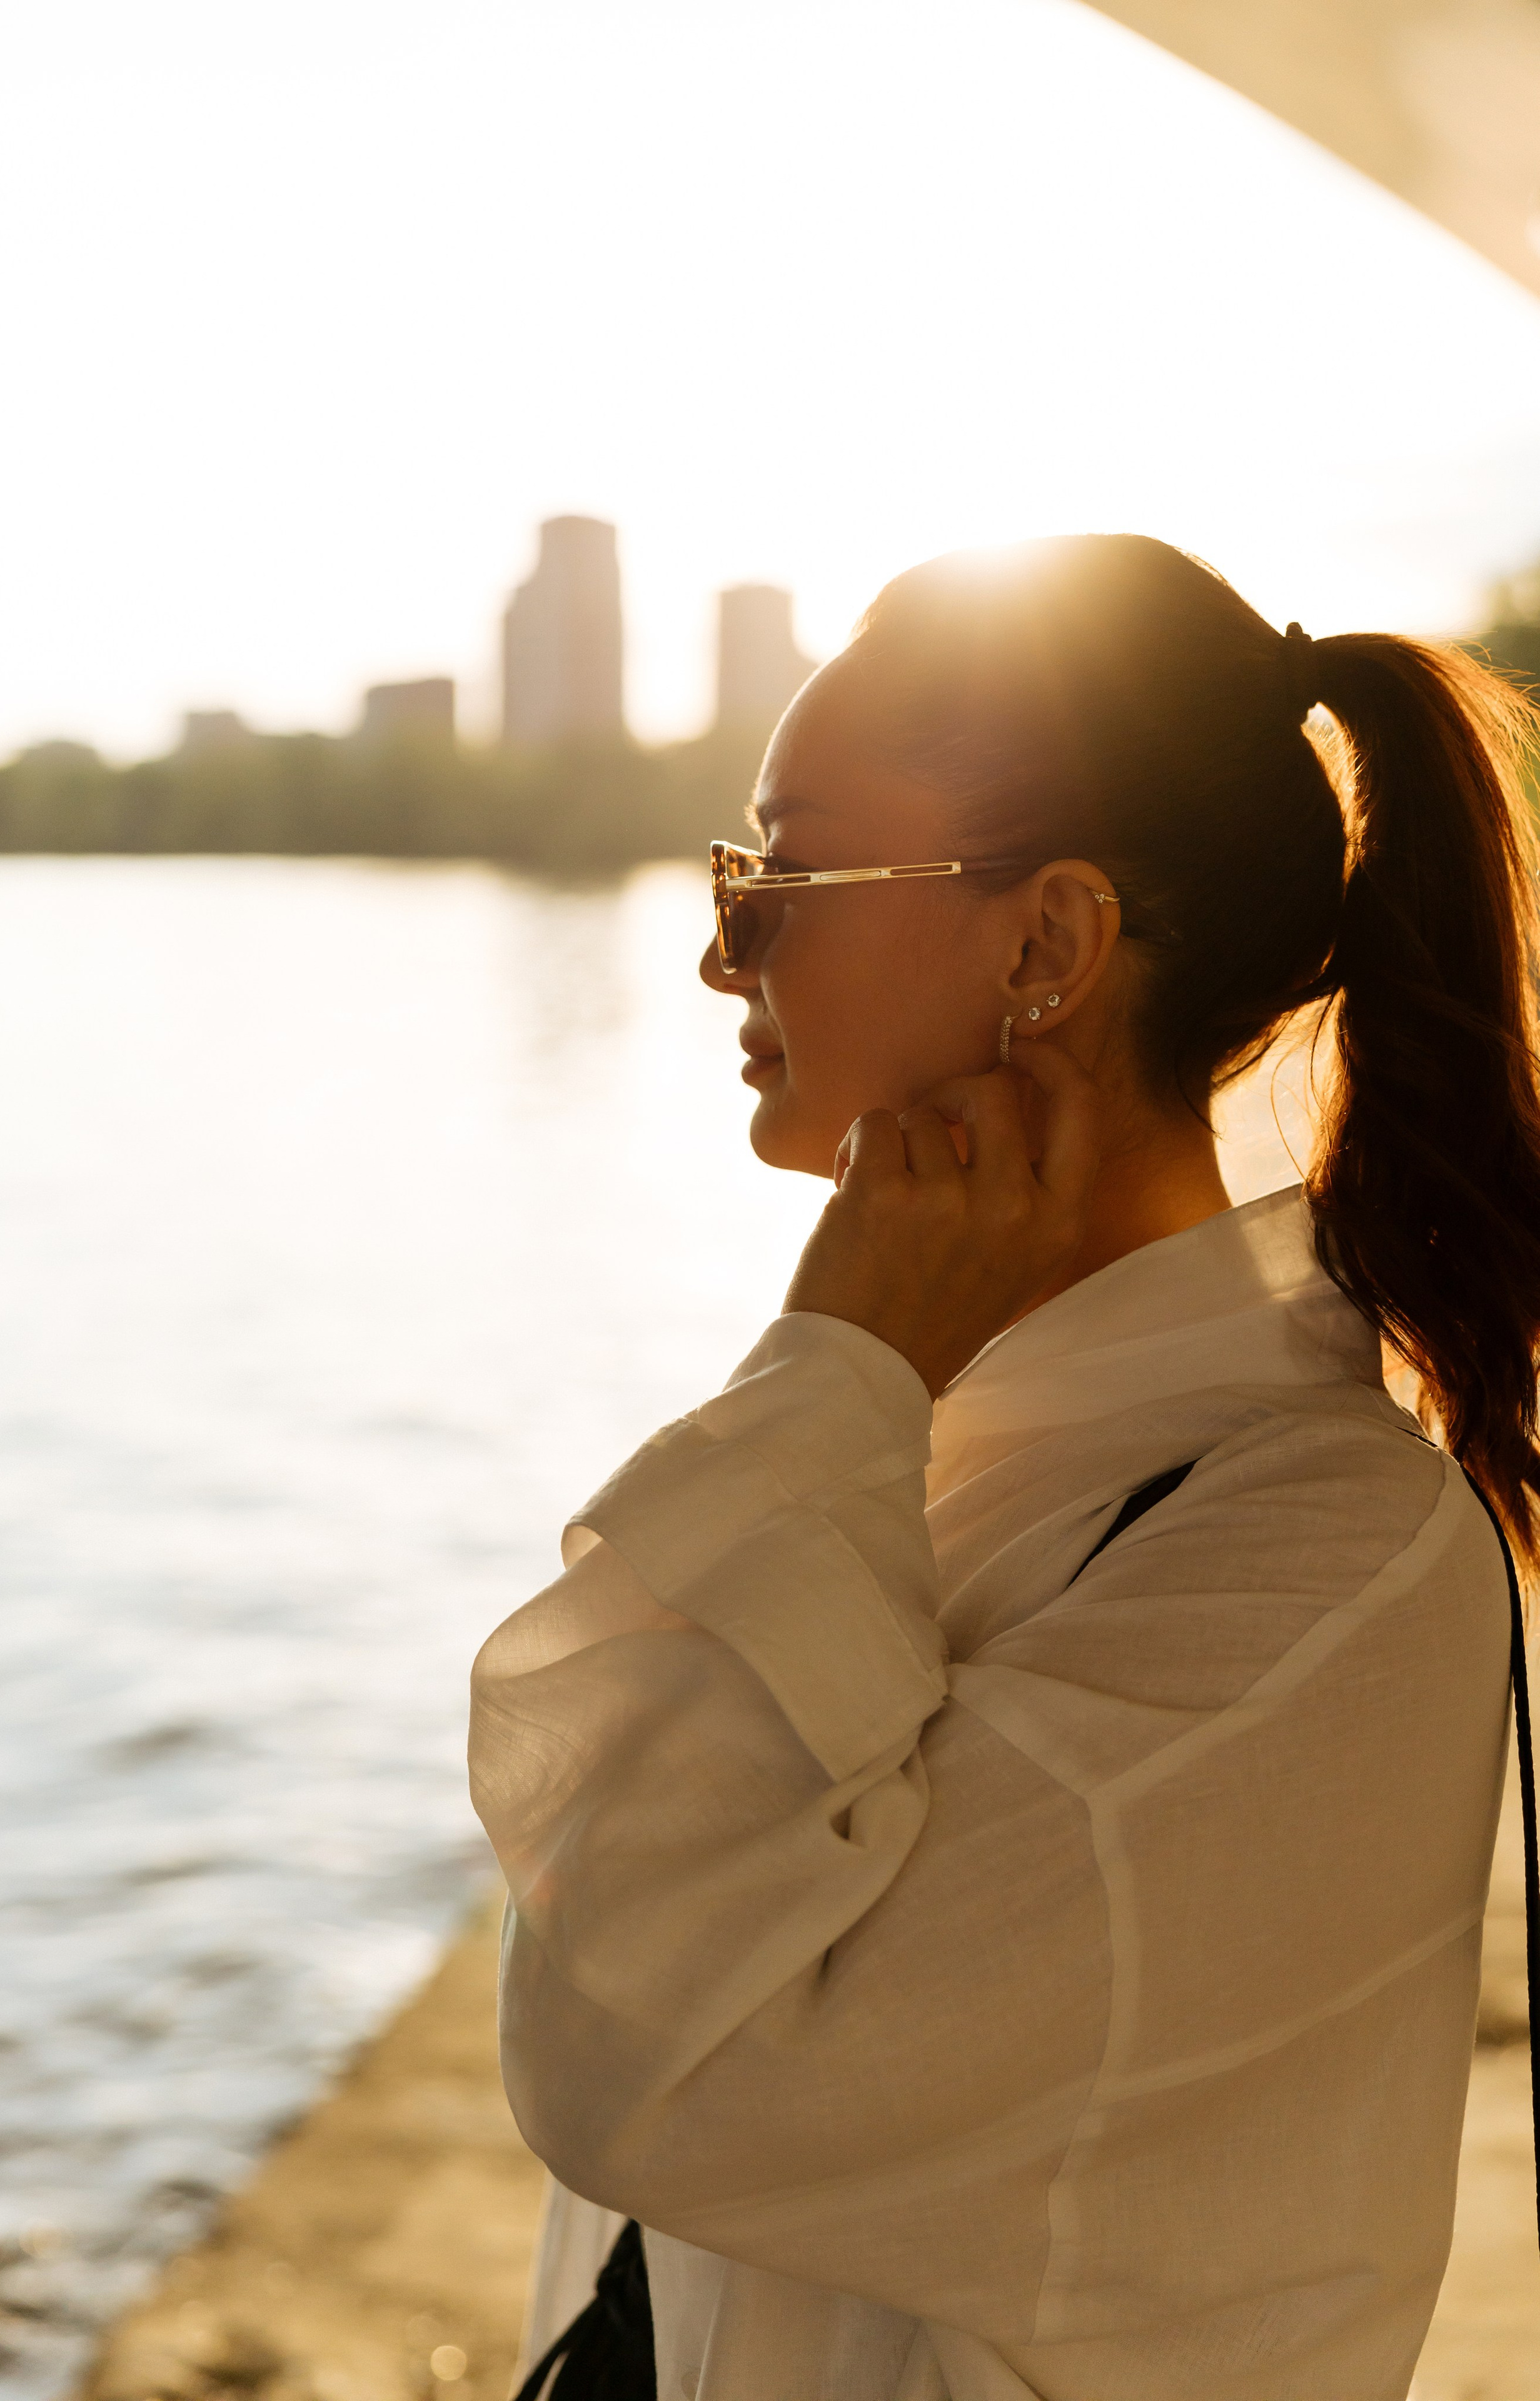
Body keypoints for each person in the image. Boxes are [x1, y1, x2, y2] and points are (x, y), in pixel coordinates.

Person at [468, 535, 1540, 2401]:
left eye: (783, 871)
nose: (723, 940)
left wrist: (842, 1367)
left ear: (1046, 944)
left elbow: (635, 2056)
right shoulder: (980, 1430)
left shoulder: (1319, 1561)